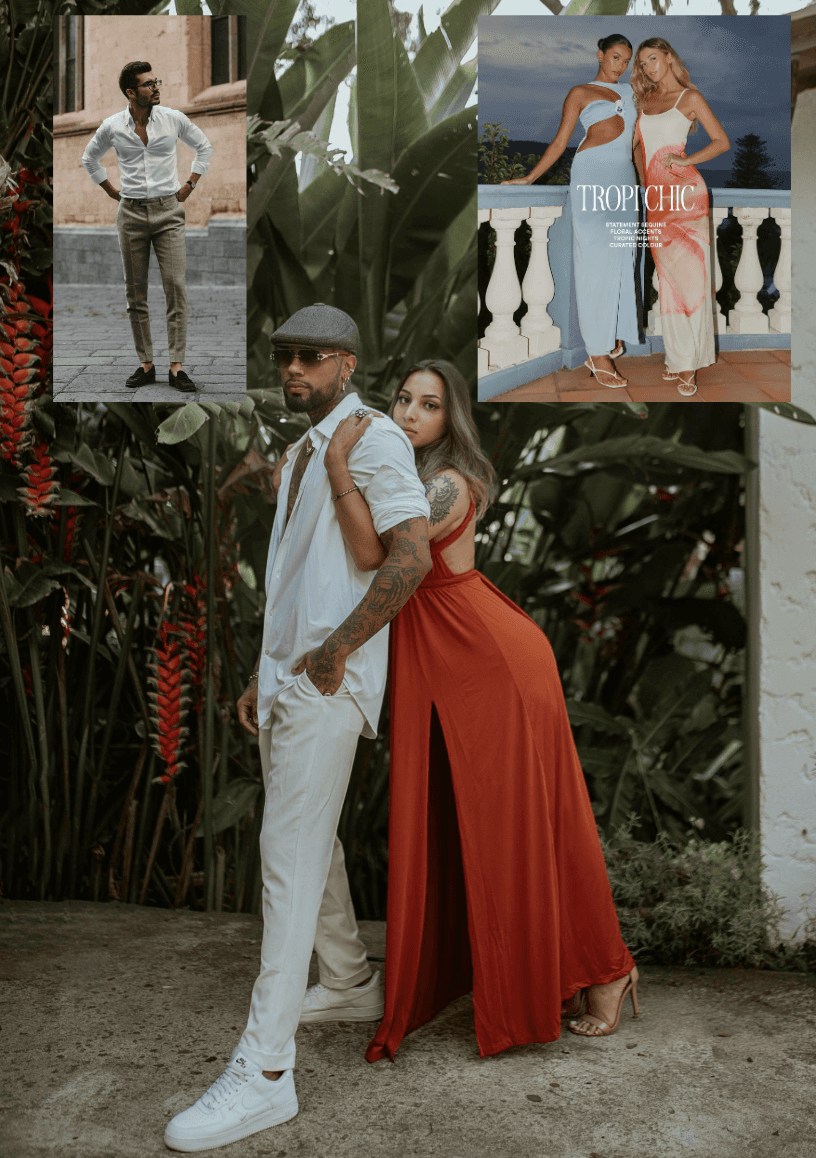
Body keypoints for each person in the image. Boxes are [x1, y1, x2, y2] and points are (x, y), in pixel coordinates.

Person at [302, 358, 639, 1062]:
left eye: (429, 404)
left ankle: (608, 972)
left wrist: (338, 466)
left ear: (450, 419)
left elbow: (374, 556)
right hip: (456, 661)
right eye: (403, 400)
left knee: (529, 821)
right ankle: (542, 970)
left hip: (489, 661)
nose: (410, 414)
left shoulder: (446, 484)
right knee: (482, 823)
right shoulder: (410, 478)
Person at [163, 305, 431, 1152]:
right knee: (313, 845)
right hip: (290, 681)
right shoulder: (311, 447)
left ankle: (267, 1072)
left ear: (347, 365)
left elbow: (411, 555)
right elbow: (303, 574)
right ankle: (350, 979)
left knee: (286, 860)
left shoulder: (375, 441)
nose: (293, 371)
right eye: (285, 357)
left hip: (327, 682)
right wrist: (266, 671)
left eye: (311, 358)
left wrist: (332, 655)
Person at [502, 34, 640, 390]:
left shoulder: (631, 92)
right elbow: (561, 141)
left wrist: (646, 184)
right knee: (595, 259)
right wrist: (531, 178)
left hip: (625, 178)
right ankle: (597, 353)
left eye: (626, 60)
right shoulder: (580, 92)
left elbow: (637, 143)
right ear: (600, 55)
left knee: (624, 256)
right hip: (591, 173)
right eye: (614, 57)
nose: (620, 65)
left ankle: (612, 333)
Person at [81, 61, 212, 394]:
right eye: (148, 84)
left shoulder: (173, 119)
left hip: (169, 212)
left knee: (175, 287)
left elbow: (204, 146)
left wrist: (190, 184)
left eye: (157, 82)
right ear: (130, 92)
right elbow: (89, 158)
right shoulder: (112, 127)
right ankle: (146, 365)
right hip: (131, 215)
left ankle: (177, 368)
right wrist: (112, 191)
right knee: (135, 294)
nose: (156, 88)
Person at [633, 38, 730, 396]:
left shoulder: (690, 98)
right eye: (643, 63)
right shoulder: (644, 101)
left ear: (669, 57)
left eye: (653, 59)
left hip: (687, 197)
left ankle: (687, 365)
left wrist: (686, 160)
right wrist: (646, 195)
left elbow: (721, 141)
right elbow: (640, 150)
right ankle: (679, 358)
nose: (648, 68)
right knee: (668, 282)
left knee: (689, 280)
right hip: (657, 199)